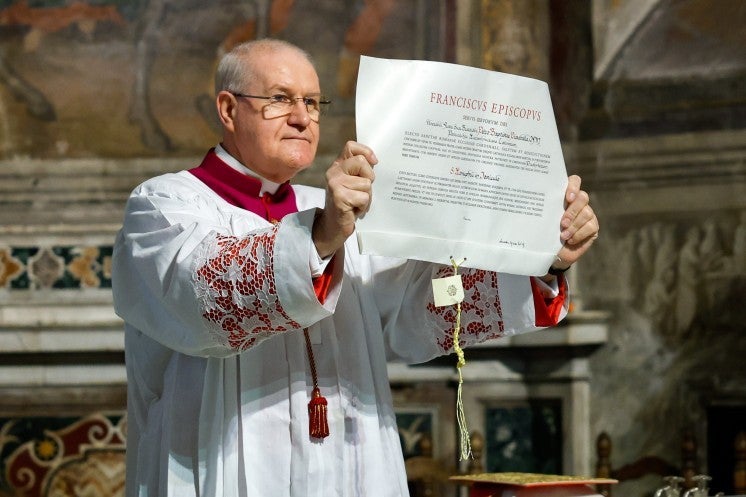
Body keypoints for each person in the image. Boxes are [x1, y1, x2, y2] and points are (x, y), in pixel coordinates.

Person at [112, 38, 599, 497]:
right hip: (225, 465)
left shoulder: (332, 209)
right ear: (227, 109)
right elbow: (202, 297)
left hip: (353, 467)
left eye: (313, 102)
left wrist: (542, 257)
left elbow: (416, 309)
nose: (303, 117)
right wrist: (321, 237)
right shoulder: (165, 204)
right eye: (281, 98)